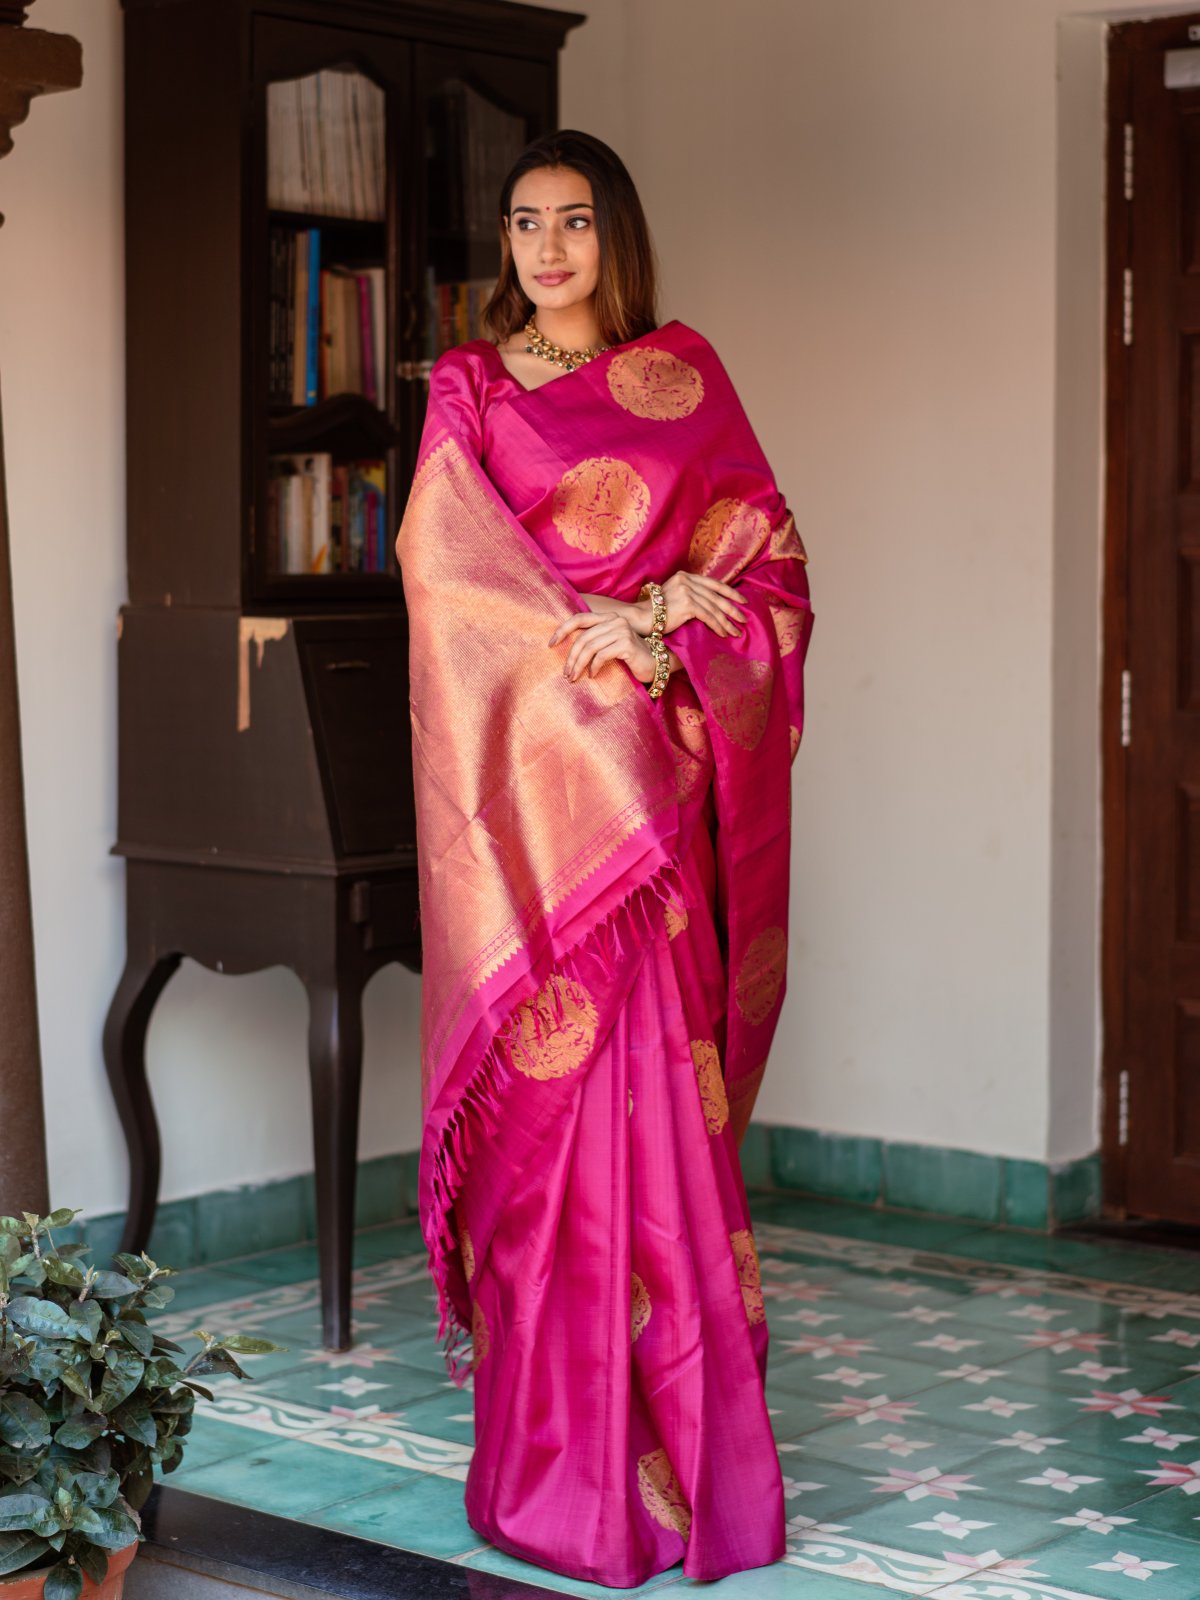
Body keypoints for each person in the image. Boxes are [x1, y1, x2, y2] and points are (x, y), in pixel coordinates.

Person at [395, 129, 813, 1589]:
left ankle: (685, 1478)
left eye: (574, 223)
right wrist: (593, 656)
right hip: (547, 843)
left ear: (615, 235)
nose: (548, 250)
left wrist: (681, 619)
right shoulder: (469, 393)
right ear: (503, 244)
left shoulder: (686, 377)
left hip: (653, 846)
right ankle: (555, 1480)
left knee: (660, 1151)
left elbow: (774, 579)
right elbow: (452, 590)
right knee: (544, 1158)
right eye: (524, 225)